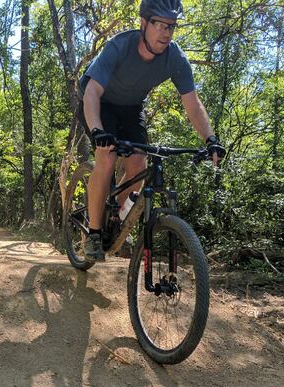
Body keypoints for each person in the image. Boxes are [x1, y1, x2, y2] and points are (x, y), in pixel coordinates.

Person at [79, 0, 225, 261]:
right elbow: (92, 92)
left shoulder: (174, 57)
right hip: (100, 103)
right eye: (160, 24)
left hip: (131, 107)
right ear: (144, 23)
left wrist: (210, 138)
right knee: (108, 156)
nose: (166, 32)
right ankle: (93, 233)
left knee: (138, 163)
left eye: (171, 26)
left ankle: (114, 212)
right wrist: (98, 130)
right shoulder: (119, 46)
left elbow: (192, 103)